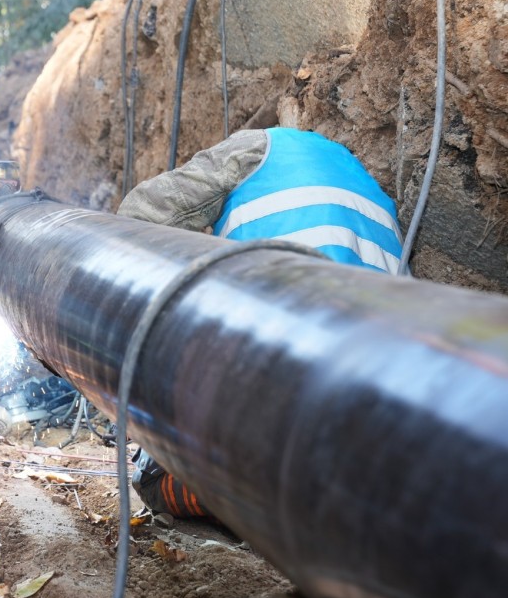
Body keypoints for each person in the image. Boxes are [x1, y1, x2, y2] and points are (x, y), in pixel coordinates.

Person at [118, 127, 404, 519]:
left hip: (274, 366)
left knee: (150, 478)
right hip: (365, 404)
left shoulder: (258, 148)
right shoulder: (372, 191)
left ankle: (248, 497)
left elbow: (139, 220)